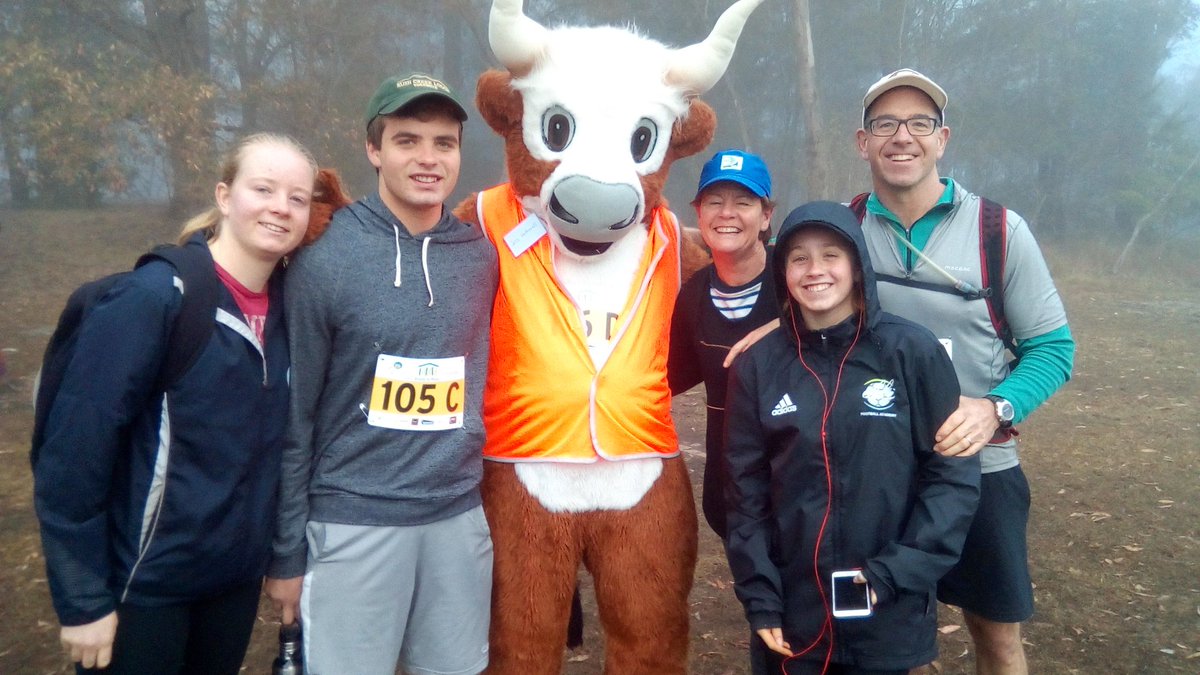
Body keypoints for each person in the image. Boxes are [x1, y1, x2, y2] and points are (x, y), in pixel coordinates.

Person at [34, 133, 318, 673]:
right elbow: (74, 452)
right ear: (224, 196)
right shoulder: (155, 298)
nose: (281, 207)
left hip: (231, 586)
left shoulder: (292, 312)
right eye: (263, 189)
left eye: (297, 197)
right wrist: (83, 598)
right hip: (144, 587)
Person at [264, 72, 498, 675]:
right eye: (407, 140)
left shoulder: (480, 257)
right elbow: (296, 416)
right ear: (373, 149)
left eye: (444, 143)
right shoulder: (323, 256)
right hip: (353, 520)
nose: (428, 159)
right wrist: (286, 553)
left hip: (456, 518)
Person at [854, 69, 1075, 674]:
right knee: (890, 641)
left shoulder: (998, 231)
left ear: (942, 138)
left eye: (919, 123)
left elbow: (1053, 349)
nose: (902, 137)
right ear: (863, 142)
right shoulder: (845, 229)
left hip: (982, 472)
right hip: (879, 472)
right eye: (885, 124)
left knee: (996, 639)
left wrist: (993, 408)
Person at [723, 200, 981, 674]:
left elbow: (951, 480)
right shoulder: (759, 365)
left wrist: (893, 573)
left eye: (831, 255)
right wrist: (761, 597)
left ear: (858, 266)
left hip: (887, 607)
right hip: (792, 617)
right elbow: (744, 494)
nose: (814, 270)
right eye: (799, 258)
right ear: (782, 272)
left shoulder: (911, 351)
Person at [668, 148, 777, 539]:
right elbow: (664, 375)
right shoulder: (693, 295)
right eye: (714, 202)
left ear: (766, 216)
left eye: (743, 202)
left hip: (804, 486)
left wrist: (788, 325)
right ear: (699, 214)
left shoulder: (796, 279)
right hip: (730, 490)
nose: (727, 213)